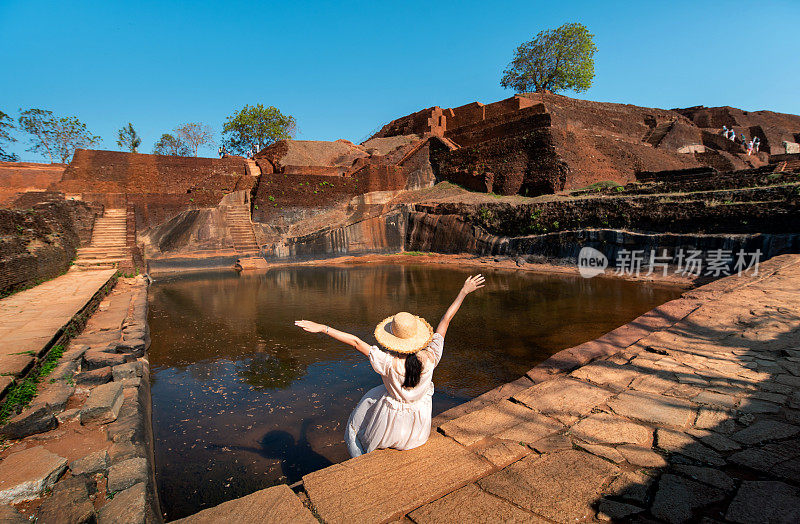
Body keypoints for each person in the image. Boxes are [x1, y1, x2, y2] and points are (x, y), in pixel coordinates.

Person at [294, 274, 486, 457]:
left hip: (390, 427)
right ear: (416, 338)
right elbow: (445, 321)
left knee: (356, 426)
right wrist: (463, 291)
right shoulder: (431, 357)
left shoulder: (387, 362)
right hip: (418, 430)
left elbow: (355, 342)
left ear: (393, 340)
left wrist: (323, 328)